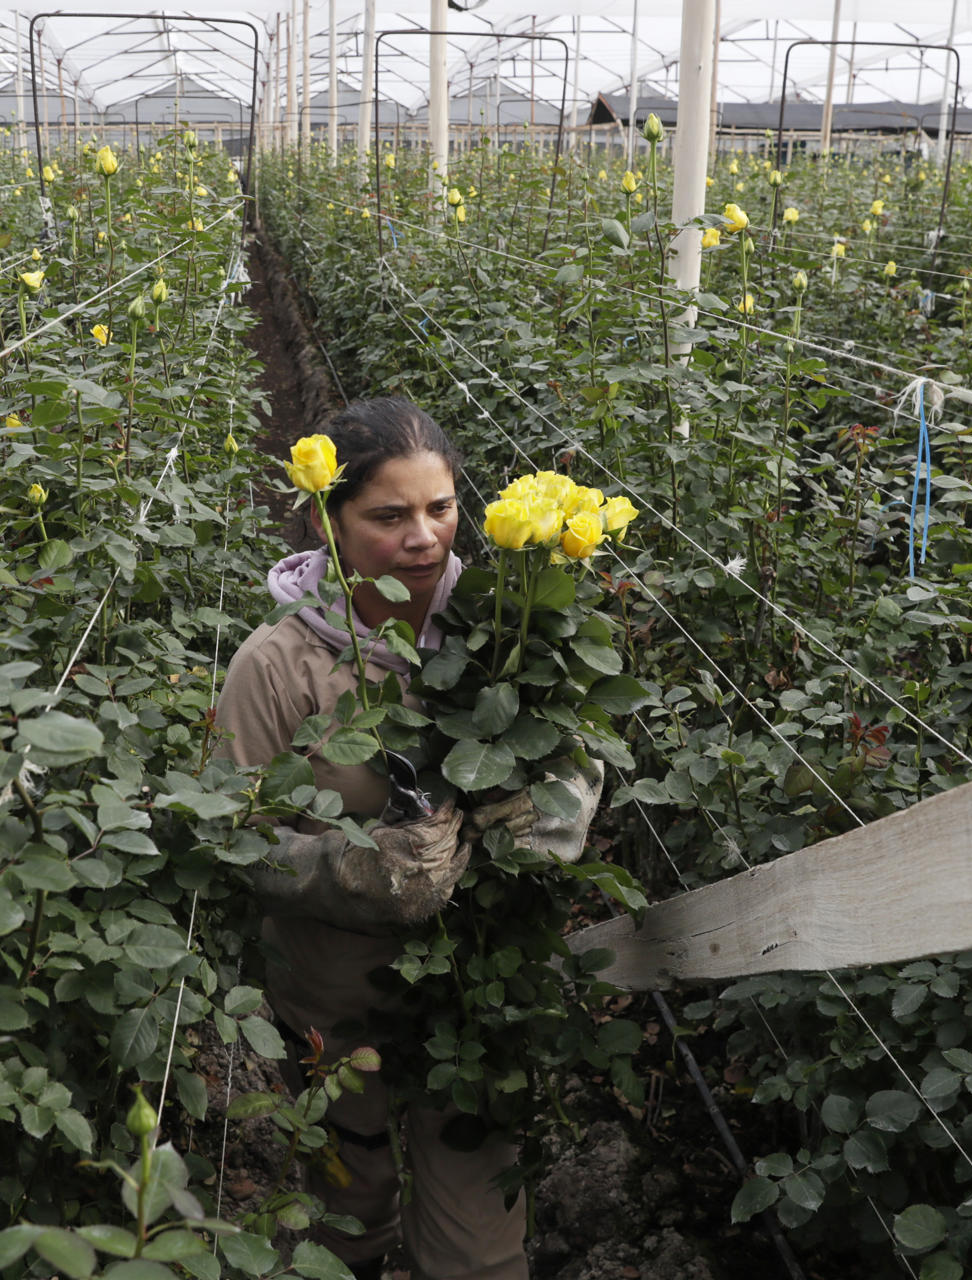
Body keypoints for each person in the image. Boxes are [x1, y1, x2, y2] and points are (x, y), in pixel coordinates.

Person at [212, 398, 599, 1280]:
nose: (424, 538)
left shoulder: (510, 631)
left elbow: (580, 757)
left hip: (478, 1001)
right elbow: (234, 840)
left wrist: (557, 811)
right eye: (389, 516)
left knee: (478, 1254)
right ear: (329, 519)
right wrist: (355, 873)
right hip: (333, 1005)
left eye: (442, 509)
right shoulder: (275, 667)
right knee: (346, 1215)